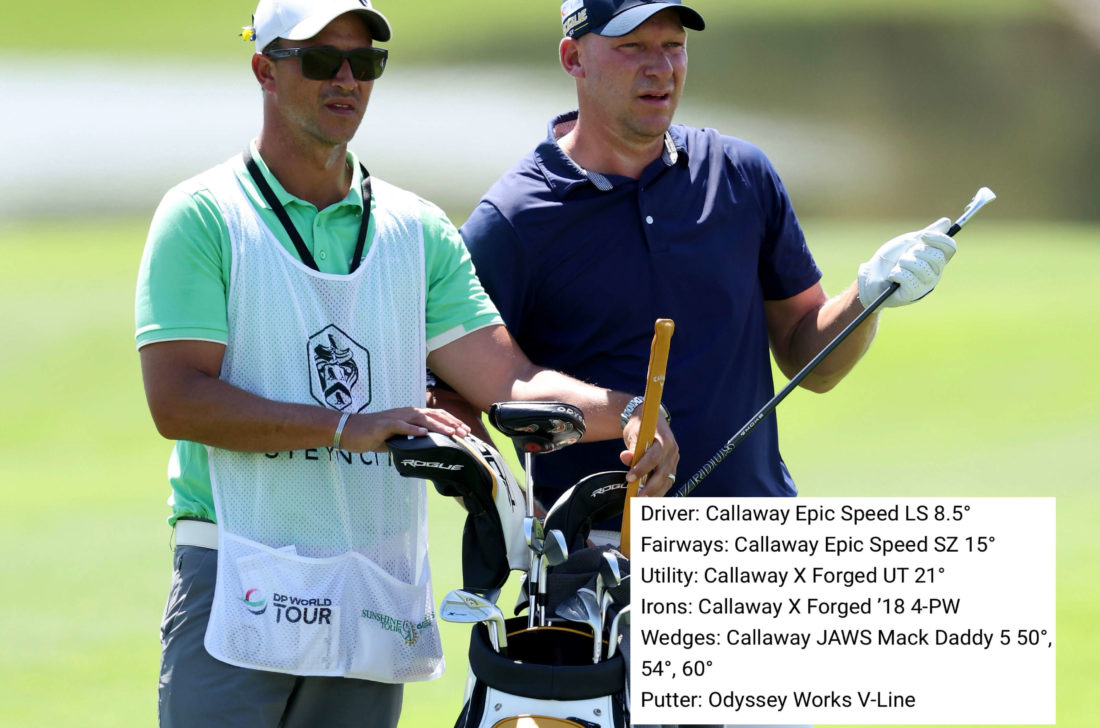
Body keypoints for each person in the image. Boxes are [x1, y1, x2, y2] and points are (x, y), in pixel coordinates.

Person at [134, 1, 676, 726]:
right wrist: (351, 426)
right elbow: (179, 401)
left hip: (370, 580)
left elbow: (507, 380)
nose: (347, 80)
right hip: (238, 566)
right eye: (322, 60)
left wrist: (633, 411)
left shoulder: (415, 228)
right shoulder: (203, 214)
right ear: (265, 68)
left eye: (367, 62)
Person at [457, 0, 956, 528]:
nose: (660, 68)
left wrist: (867, 295)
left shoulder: (741, 175)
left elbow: (810, 361)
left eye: (673, 46)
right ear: (573, 58)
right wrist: (515, 511)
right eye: (632, 48)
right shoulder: (512, 220)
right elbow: (448, 389)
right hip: (601, 567)